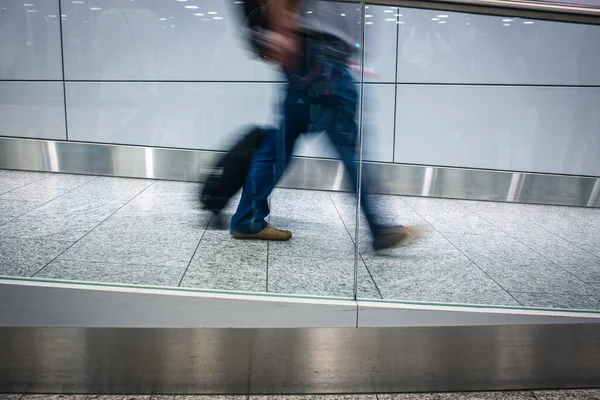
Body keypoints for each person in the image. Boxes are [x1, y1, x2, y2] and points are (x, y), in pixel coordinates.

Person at [230, 0, 414, 251]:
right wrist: (287, 36)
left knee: (281, 142)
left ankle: (247, 219)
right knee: (347, 147)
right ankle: (380, 227)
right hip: (322, 55)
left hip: (319, 54)